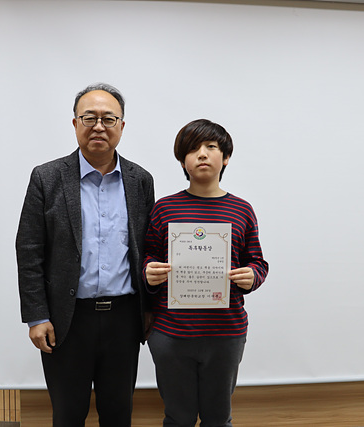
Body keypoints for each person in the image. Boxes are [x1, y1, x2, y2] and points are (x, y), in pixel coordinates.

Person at [16, 83, 155, 427]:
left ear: (122, 125)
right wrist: (36, 316)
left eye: (109, 119)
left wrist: (151, 308)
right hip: (67, 320)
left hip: (124, 319)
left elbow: (148, 248)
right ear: (75, 123)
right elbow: (29, 249)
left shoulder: (140, 180)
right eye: (89, 118)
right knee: (68, 415)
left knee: (118, 414)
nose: (98, 126)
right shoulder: (47, 177)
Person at [144, 118, 269, 427]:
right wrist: (148, 271)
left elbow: (257, 261)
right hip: (171, 333)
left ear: (225, 158)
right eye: (193, 149)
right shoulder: (164, 208)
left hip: (225, 332)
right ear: (182, 161)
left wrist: (251, 276)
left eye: (211, 147)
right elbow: (148, 255)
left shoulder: (242, 209)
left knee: (218, 418)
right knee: (178, 418)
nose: (202, 154)